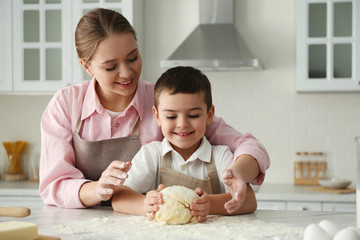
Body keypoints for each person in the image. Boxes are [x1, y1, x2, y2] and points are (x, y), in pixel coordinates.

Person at [39, 8, 270, 209]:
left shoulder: (165, 101)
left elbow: (248, 146)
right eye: (111, 67)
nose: (127, 73)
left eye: (132, 58)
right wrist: (97, 189)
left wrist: (238, 172)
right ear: (86, 66)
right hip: (82, 223)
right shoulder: (66, 104)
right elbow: (54, 184)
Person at [112, 66, 257, 221]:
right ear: (157, 116)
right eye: (171, 116)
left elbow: (248, 201)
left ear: (209, 115)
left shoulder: (220, 156)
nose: (182, 124)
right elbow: (119, 198)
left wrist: (210, 205)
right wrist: (144, 204)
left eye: (193, 115)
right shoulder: (152, 154)